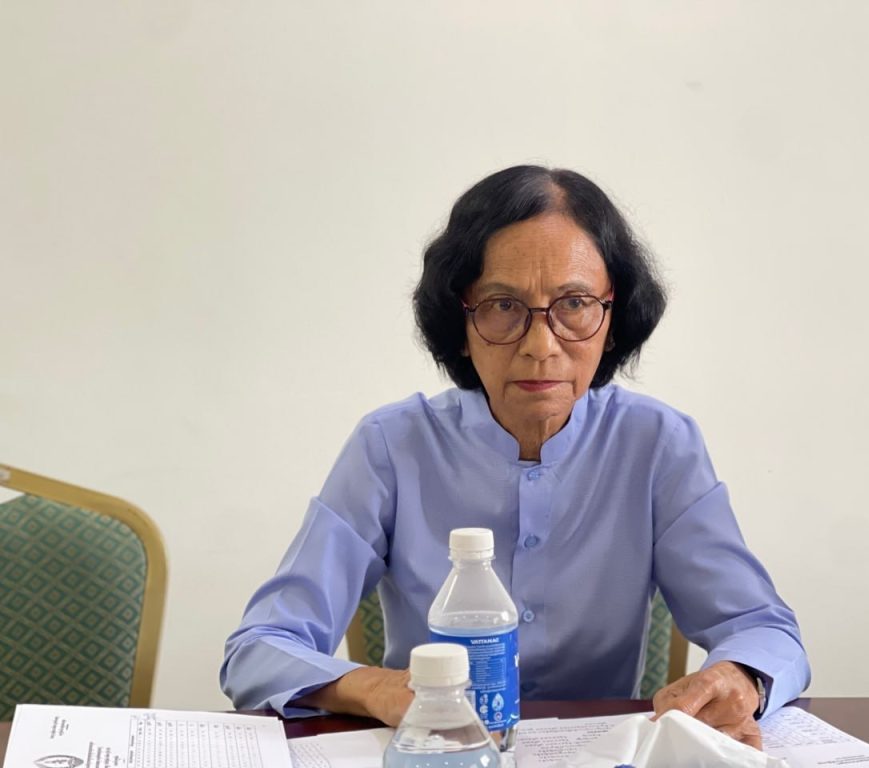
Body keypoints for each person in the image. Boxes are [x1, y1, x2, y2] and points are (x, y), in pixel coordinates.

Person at [220, 165, 811, 748]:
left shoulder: (658, 445)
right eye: (503, 305)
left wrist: (738, 678)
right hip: (440, 753)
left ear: (612, 319)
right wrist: (377, 688)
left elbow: (762, 629)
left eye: (574, 303)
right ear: (460, 320)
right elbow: (258, 648)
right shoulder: (391, 446)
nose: (540, 345)